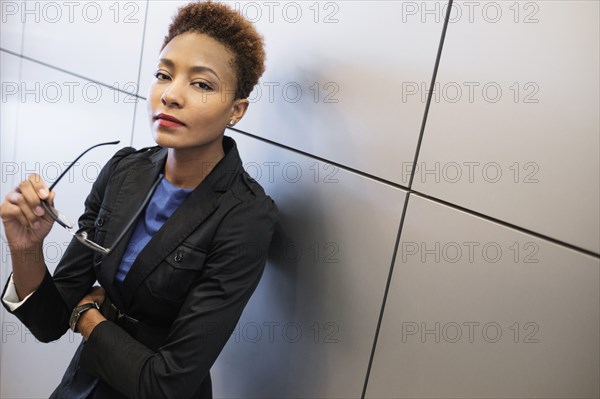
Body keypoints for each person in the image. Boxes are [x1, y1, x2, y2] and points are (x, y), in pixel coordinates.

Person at [0, 1, 278, 398]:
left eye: (201, 83)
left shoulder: (245, 216)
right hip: (83, 386)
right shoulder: (123, 171)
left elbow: (166, 384)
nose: (171, 95)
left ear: (236, 110)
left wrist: (87, 317)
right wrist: (25, 248)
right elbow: (48, 323)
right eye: (164, 75)